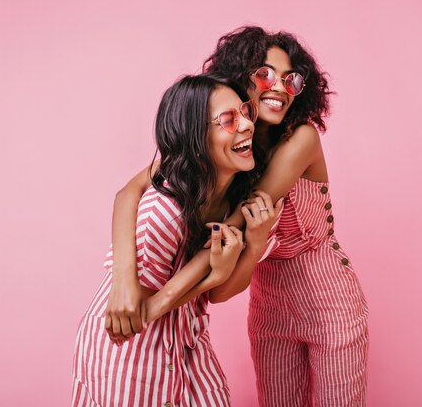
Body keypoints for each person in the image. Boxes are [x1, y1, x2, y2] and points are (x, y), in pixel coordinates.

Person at [109, 27, 368, 407]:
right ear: (240, 77)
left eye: (291, 79)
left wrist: (155, 306)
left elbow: (236, 226)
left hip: (330, 300)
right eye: (265, 74)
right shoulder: (220, 143)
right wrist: (123, 281)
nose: (280, 87)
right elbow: (128, 192)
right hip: (269, 305)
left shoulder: (302, 139)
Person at [71, 74, 282, 407]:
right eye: (228, 119)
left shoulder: (237, 194)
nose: (246, 125)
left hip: (184, 335)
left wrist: (253, 245)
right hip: (130, 348)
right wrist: (209, 277)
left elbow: (220, 293)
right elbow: (140, 311)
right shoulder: (163, 212)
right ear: (196, 138)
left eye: (244, 111)